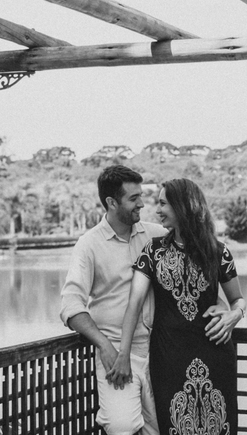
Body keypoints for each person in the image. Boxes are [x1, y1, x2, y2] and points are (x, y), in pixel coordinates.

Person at [111, 178, 246, 435]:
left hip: (215, 352)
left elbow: (238, 299)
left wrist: (234, 315)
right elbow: (134, 305)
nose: (157, 209)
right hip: (169, 357)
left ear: (183, 206)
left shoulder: (219, 253)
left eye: (163, 203)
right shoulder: (153, 252)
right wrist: (123, 354)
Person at [60, 165, 167, 435]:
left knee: (159, 428)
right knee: (122, 426)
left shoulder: (155, 235)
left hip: (160, 352)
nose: (142, 203)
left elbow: (200, 249)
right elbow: (71, 305)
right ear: (111, 202)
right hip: (116, 355)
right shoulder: (89, 244)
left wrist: (231, 307)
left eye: (141, 196)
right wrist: (105, 346)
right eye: (133, 198)